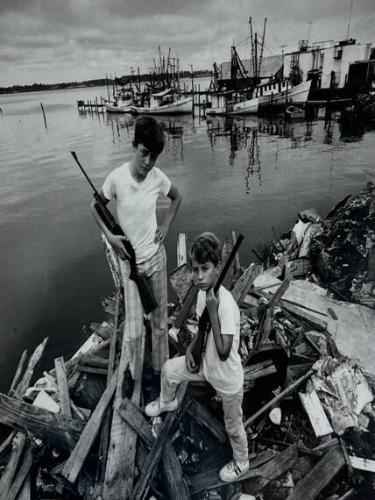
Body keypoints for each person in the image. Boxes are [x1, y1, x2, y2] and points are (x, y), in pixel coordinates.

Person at [145, 232, 249, 482]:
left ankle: (242, 461)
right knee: (170, 370)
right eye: (194, 269)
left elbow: (224, 352)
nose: (199, 276)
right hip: (205, 365)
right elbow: (202, 328)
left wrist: (213, 310)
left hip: (227, 379)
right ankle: (168, 402)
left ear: (217, 269)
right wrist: (192, 349)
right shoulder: (204, 295)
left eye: (205, 269)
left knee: (234, 427)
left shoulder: (224, 305)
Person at [90, 116, 182, 379]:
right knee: (134, 331)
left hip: (156, 258)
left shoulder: (157, 176)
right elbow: (94, 206)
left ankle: (160, 373)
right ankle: (136, 379)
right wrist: (110, 236)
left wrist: (165, 226)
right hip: (130, 265)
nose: (148, 162)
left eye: (154, 157)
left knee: (160, 324)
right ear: (134, 145)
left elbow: (177, 197)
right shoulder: (116, 178)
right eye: (144, 153)